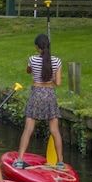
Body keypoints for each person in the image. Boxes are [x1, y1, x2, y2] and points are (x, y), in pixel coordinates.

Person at [15, 31, 65, 169]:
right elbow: (58, 83)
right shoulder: (57, 61)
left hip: (36, 94)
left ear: (37, 47)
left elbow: (28, 71)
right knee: (54, 130)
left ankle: (19, 160)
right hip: (49, 94)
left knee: (28, 129)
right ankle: (60, 162)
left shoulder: (32, 59)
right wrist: (52, 76)